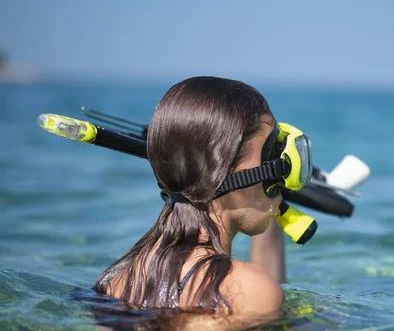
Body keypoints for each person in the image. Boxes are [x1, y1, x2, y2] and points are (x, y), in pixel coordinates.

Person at [93, 76, 299, 316]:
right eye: (272, 153)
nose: (281, 171)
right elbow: (263, 303)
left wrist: (268, 199)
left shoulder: (118, 280)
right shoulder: (247, 291)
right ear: (226, 167)